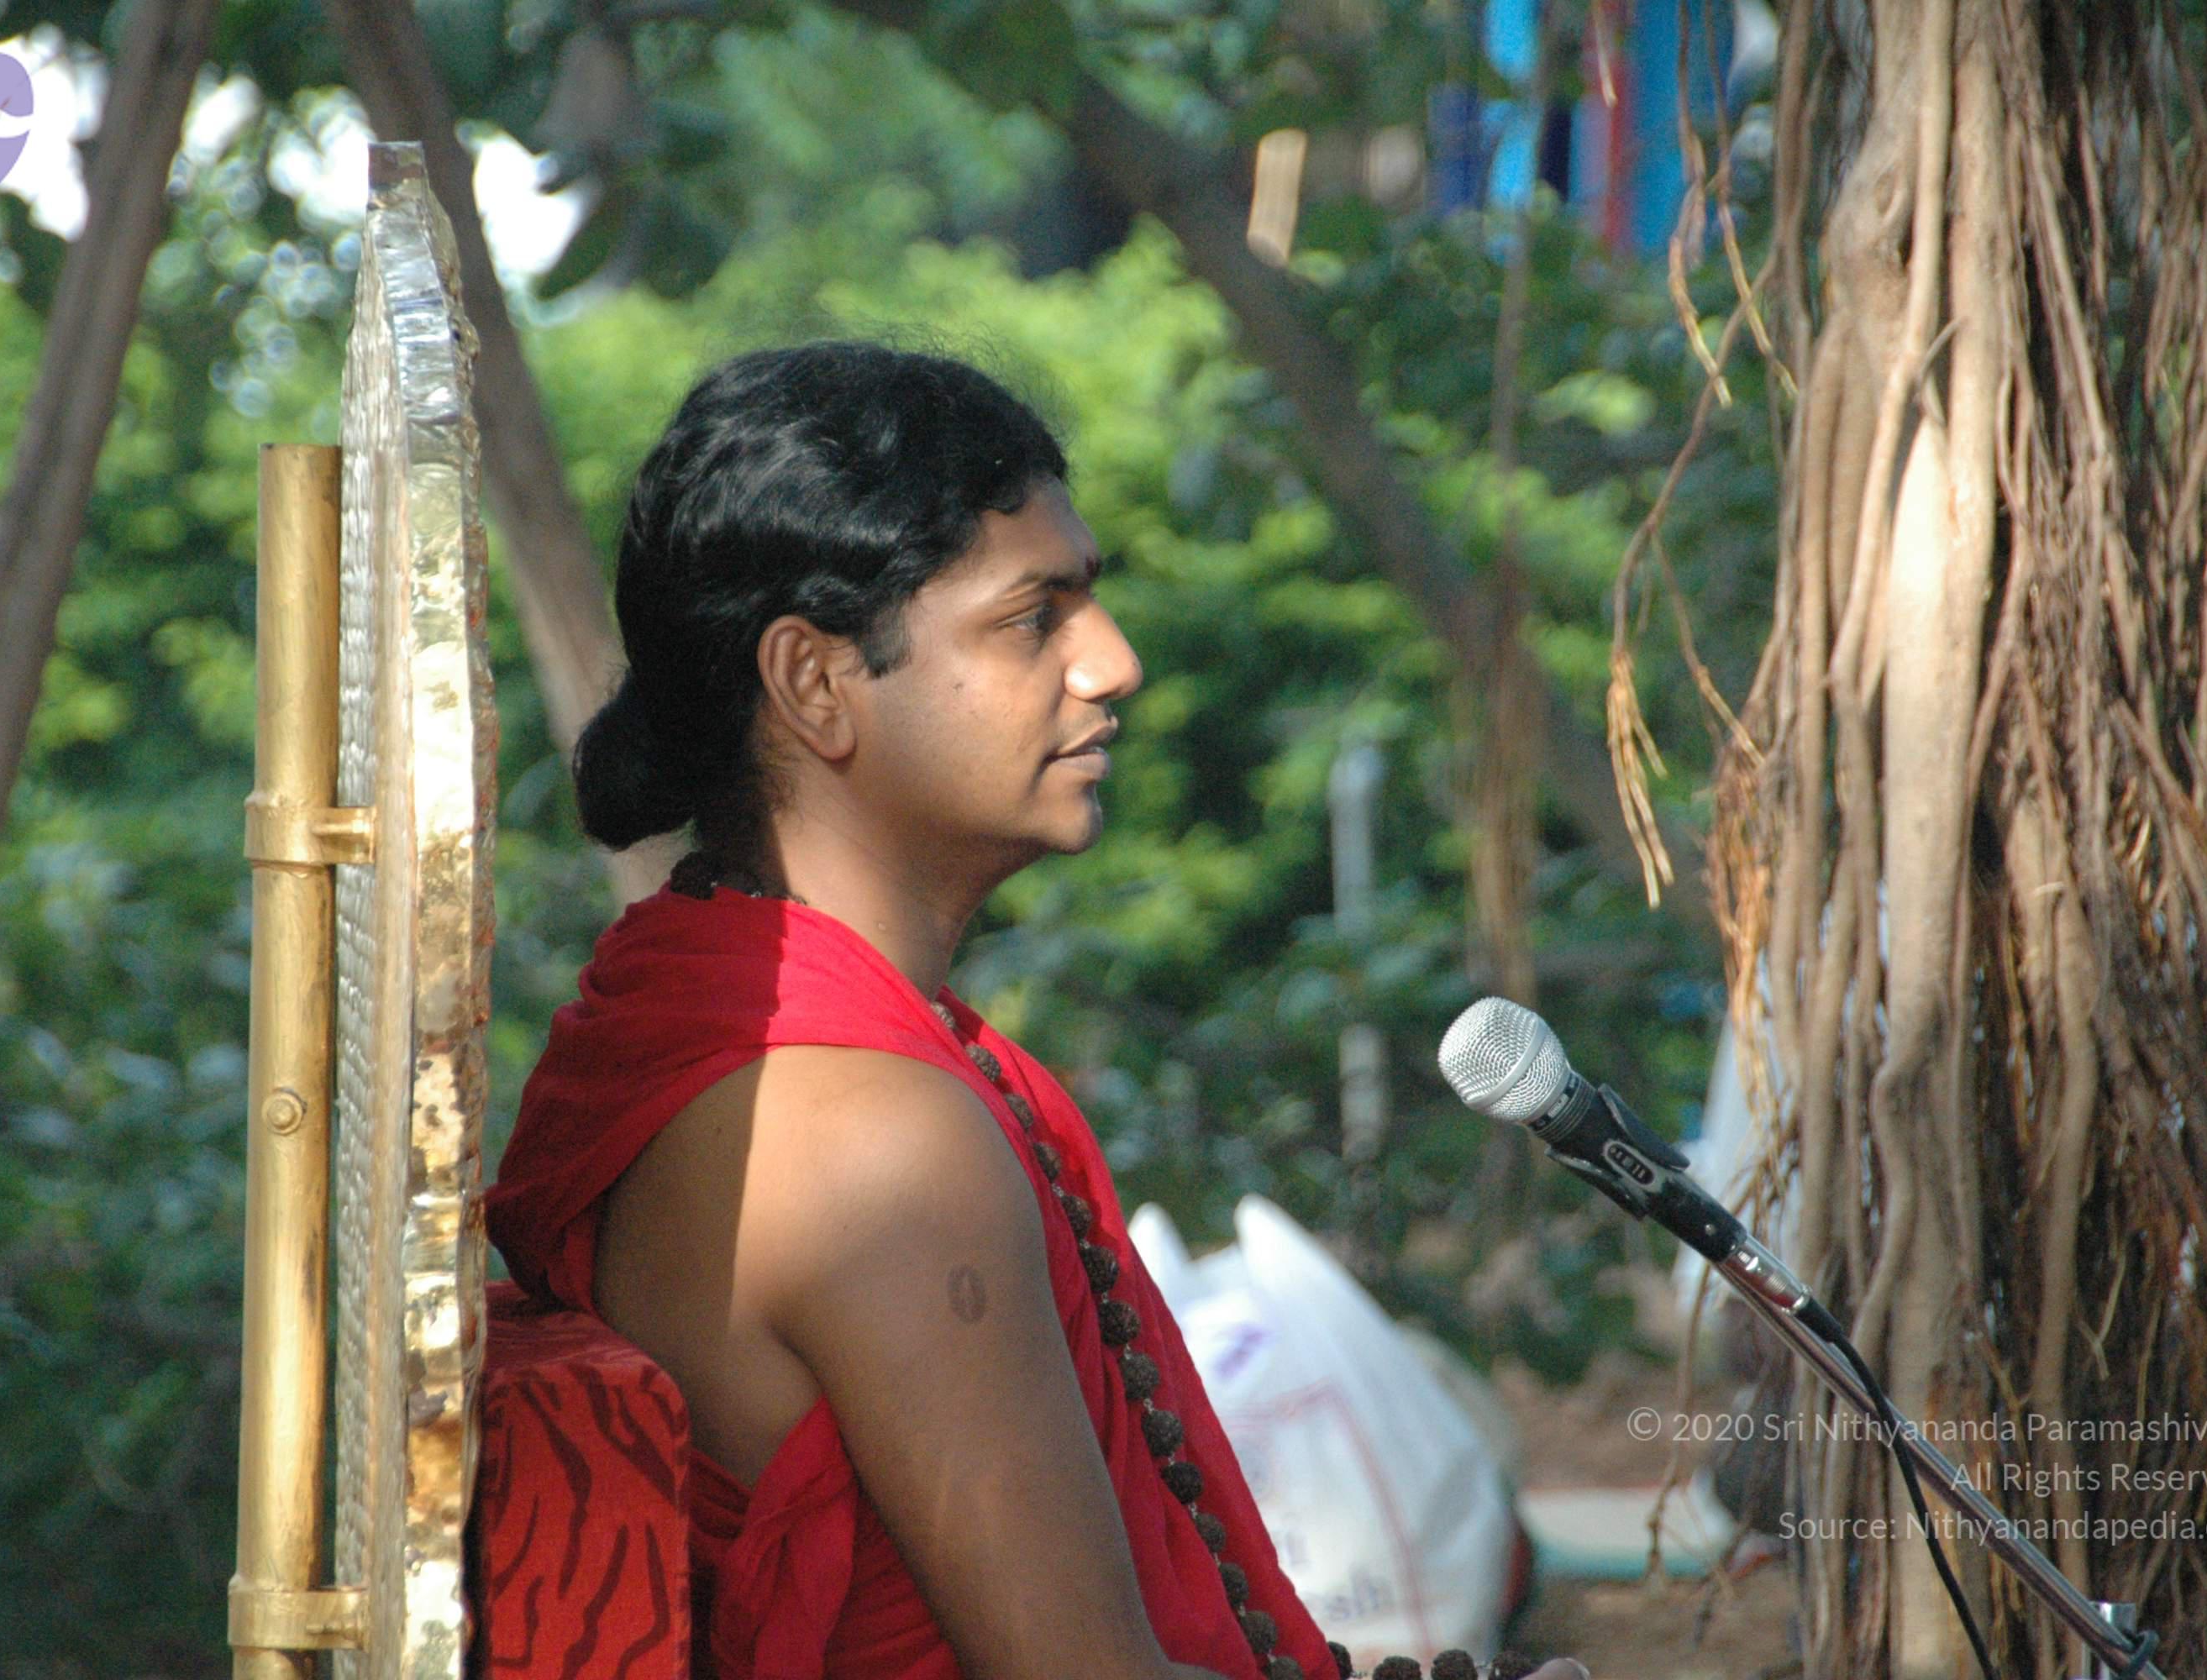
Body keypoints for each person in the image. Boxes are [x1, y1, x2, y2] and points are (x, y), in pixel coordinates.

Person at [486, 340, 1587, 1680]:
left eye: (1091, 604)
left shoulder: (768, 1029)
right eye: (1032, 618)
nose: (1112, 664)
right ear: (816, 683)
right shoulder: (865, 1131)